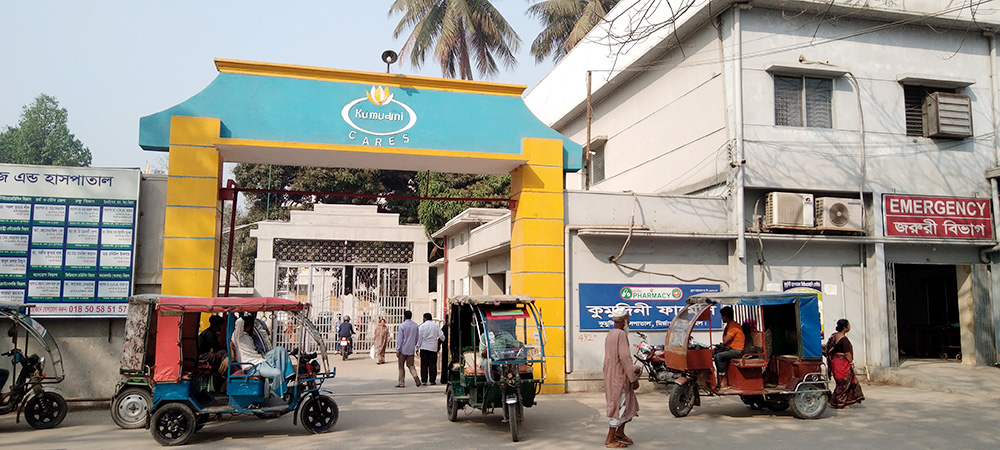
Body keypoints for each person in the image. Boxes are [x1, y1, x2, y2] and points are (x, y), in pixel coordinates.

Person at [231, 315, 295, 399]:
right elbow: (239, 322)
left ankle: (287, 376)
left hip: (260, 359)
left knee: (280, 350)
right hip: (253, 367)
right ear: (249, 326)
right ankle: (276, 395)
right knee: (277, 373)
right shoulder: (238, 335)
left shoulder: (246, 336)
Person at [603, 307, 639, 448]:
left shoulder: (611, 333)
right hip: (619, 377)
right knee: (619, 407)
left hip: (611, 375)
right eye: (628, 318)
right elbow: (625, 358)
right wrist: (633, 379)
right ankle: (610, 439)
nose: (629, 321)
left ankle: (620, 432)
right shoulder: (621, 335)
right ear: (624, 320)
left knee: (629, 404)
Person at [826, 318, 865, 408]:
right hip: (842, 364)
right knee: (845, 383)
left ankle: (839, 401)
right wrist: (851, 362)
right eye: (848, 325)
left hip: (835, 362)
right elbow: (847, 353)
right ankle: (839, 402)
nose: (849, 327)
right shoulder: (844, 340)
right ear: (845, 328)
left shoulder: (834, 336)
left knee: (841, 383)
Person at [713, 305, 745, 387]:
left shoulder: (733, 326)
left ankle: (724, 381)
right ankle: (717, 380)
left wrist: (720, 346)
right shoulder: (729, 325)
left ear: (726, 316)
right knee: (714, 353)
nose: (721, 318)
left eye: (722, 316)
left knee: (718, 356)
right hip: (731, 349)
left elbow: (725, 340)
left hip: (737, 351)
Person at [197, 315, 227, 391]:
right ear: (218, 325)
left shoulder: (212, 333)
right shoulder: (209, 334)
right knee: (223, 353)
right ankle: (224, 371)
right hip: (202, 356)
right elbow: (216, 348)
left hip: (206, 354)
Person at [395, 310, 421, 388]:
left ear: (404, 316)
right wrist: (416, 347)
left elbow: (400, 339)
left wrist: (398, 349)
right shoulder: (415, 325)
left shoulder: (402, 326)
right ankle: (416, 377)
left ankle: (401, 382)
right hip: (411, 349)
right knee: (411, 365)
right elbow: (417, 337)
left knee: (401, 366)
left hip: (403, 348)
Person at [417, 313, 445, 385]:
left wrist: (417, 347)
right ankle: (432, 380)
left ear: (425, 318)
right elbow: (441, 335)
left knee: (424, 364)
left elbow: (419, 338)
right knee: (432, 365)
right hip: (433, 347)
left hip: (424, 347)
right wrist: (442, 340)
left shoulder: (422, 326)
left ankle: (424, 380)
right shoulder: (436, 326)